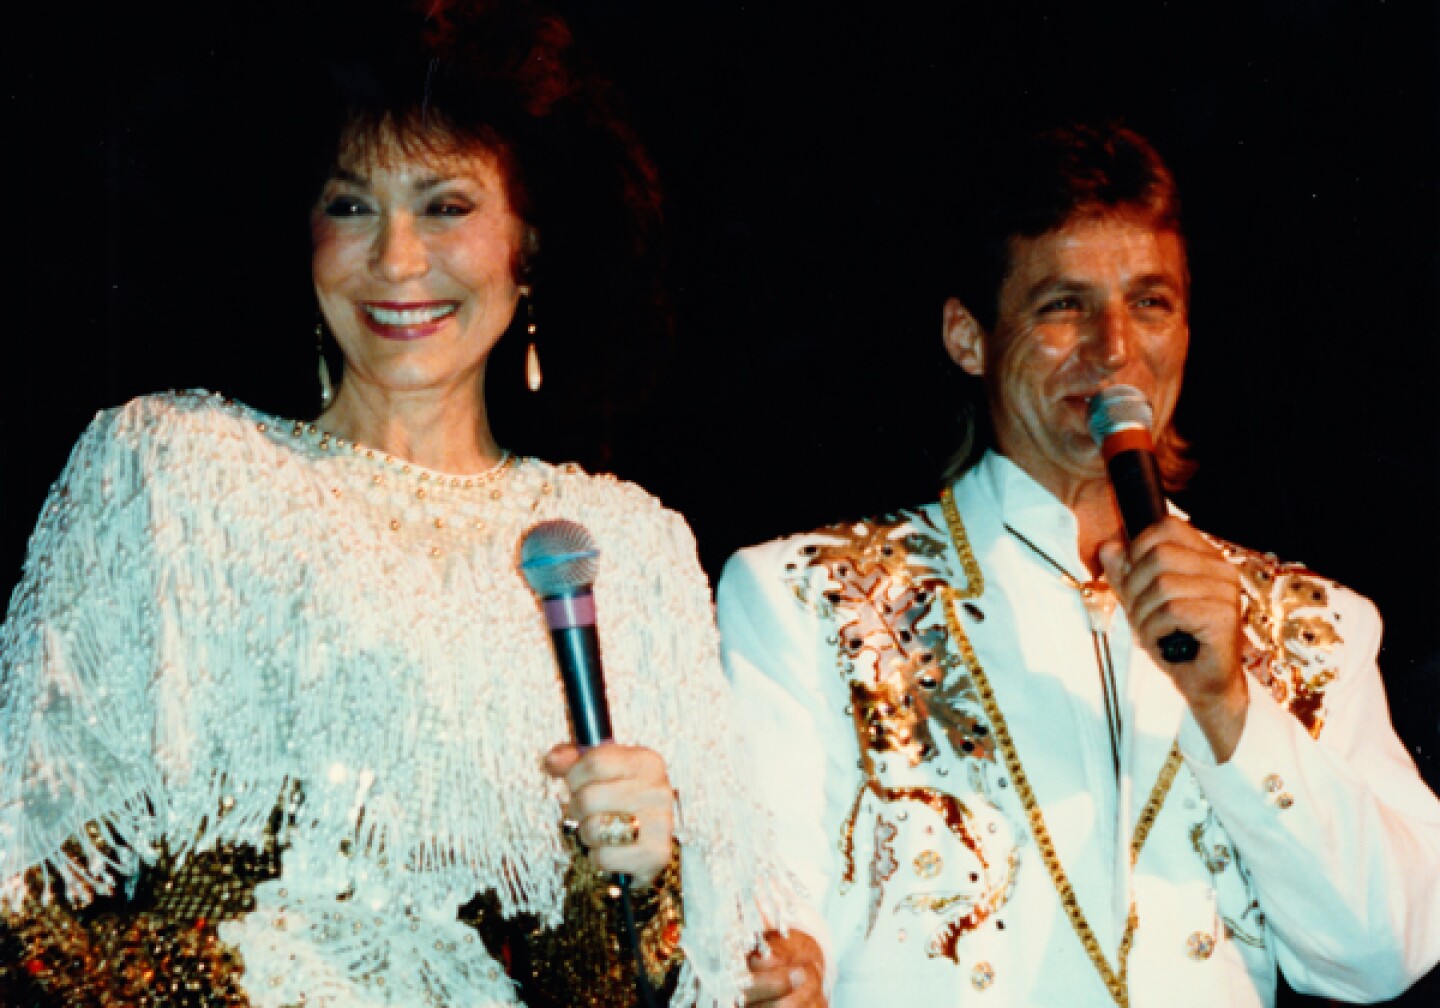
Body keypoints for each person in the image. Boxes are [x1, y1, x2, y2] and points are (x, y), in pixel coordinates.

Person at [0, 2, 792, 1005]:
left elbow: (696, 975)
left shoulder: (630, 544)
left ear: (532, 243)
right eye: (350, 204)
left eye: (446, 205)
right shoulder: (170, 475)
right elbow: (27, 882)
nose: (397, 260)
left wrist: (644, 882)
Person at [717, 122, 1440, 1006]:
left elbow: (1388, 949)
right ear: (968, 337)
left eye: (1150, 302)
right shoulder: (806, 598)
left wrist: (1229, 705)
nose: (1114, 349)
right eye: (1063, 305)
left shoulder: (1311, 621)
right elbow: (765, 907)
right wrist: (778, 956)